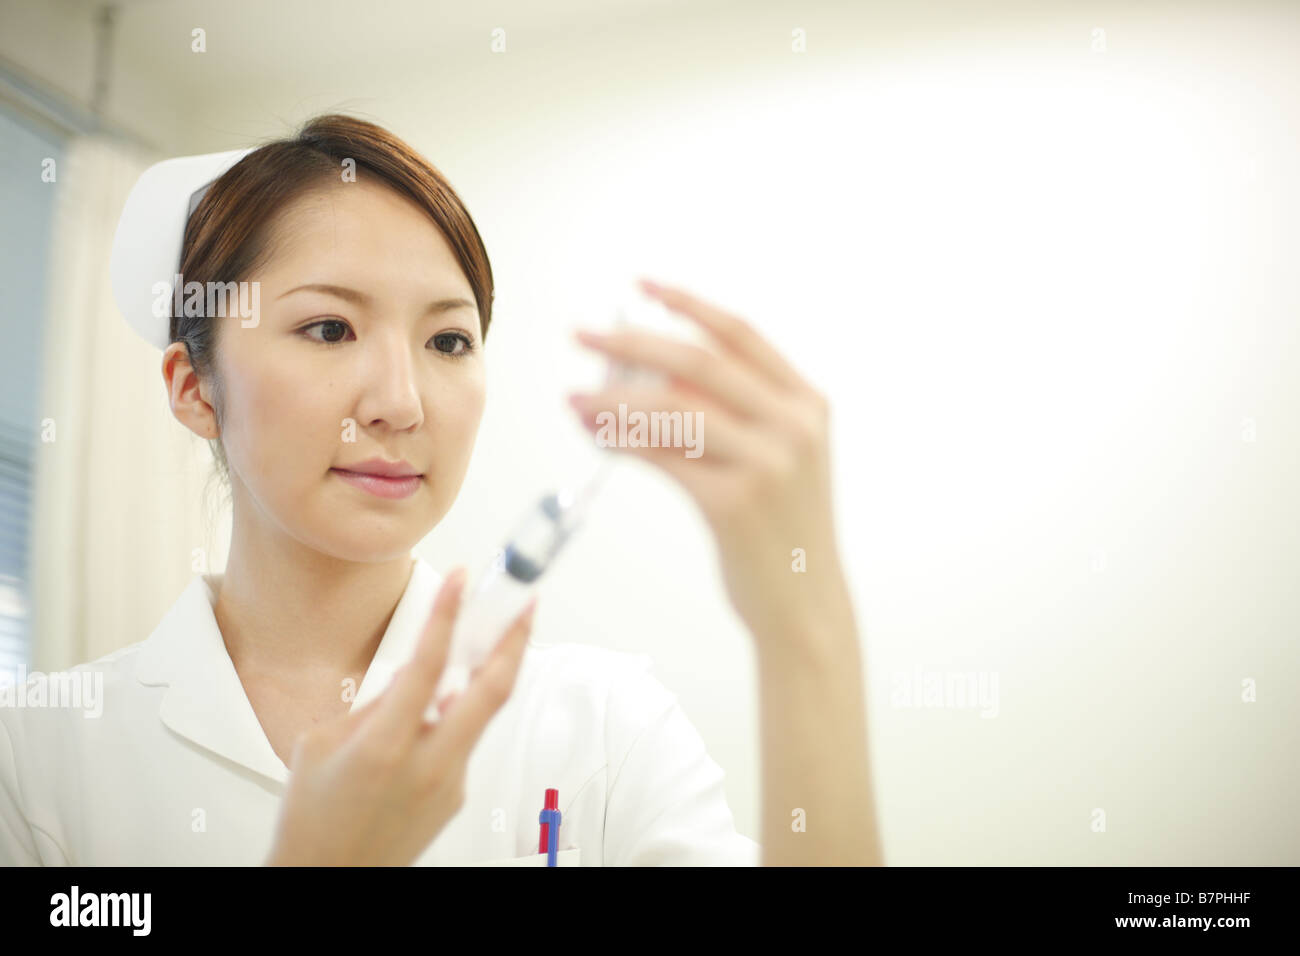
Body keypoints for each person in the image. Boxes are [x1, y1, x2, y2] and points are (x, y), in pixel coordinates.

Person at [0, 114, 880, 866]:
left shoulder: (606, 729)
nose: (400, 402)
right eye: (329, 326)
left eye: (449, 341)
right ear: (195, 389)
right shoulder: (39, 757)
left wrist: (806, 630)